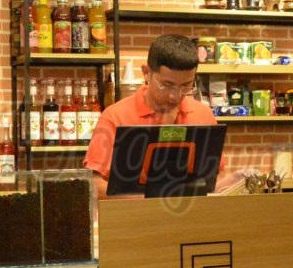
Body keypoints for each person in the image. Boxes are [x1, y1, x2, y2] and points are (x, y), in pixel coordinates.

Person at [84, 34, 218, 199]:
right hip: (136, 214)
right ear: (147, 73)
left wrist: (236, 180)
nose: (175, 96)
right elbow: (94, 184)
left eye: (186, 85)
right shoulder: (115, 116)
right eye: (166, 85)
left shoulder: (204, 115)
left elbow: (214, 180)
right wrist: (150, 203)